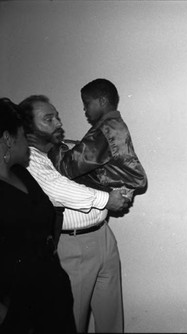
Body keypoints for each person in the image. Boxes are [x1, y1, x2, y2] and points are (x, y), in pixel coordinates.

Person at [17, 94, 133, 333]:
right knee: (72, 321)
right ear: (28, 128)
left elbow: (112, 168)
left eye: (57, 117)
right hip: (73, 245)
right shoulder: (29, 160)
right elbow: (60, 190)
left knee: (112, 320)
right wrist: (108, 199)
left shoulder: (69, 149)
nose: (58, 123)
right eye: (49, 119)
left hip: (104, 236)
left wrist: (124, 186)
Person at [0, 98, 76, 333]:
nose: (28, 142)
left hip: (53, 296)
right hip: (20, 312)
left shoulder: (22, 175)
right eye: (24, 135)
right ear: (7, 139)